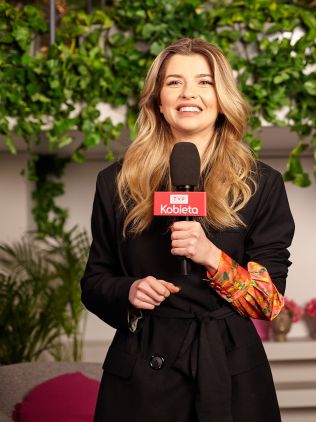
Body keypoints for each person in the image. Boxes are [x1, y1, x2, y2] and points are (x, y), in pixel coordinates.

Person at [81, 38, 294, 422]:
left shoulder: (262, 183)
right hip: (143, 372)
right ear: (158, 100)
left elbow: (269, 302)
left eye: (204, 82)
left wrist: (211, 256)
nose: (188, 93)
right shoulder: (116, 182)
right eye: (174, 82)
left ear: (222, 97)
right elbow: (95, 281)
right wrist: (128, 291)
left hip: (230, 369)